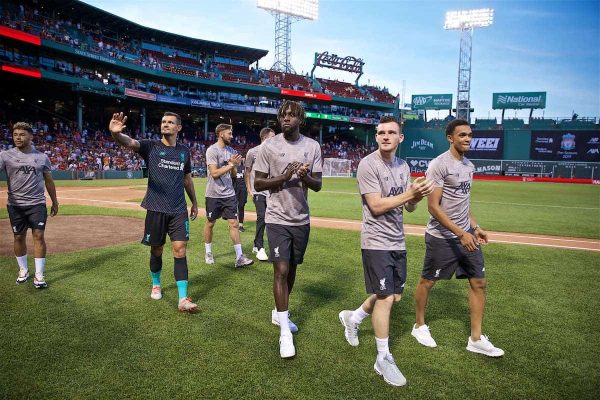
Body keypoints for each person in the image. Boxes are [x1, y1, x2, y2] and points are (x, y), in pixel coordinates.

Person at [338, 116, 433, 386]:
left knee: (392, 296)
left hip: (396, 240)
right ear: (376, 136)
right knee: (386, 297)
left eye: (392, 132)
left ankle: (352, 318)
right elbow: (377, 206)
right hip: (375, 240)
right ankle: (383, 358)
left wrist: (417, 195)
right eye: (381, 132)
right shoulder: (368, 165)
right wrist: (409, 193)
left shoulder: (404, 166)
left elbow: (409, 207)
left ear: (400, 138)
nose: (386, 136)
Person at [411, 119, 504, 357]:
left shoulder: (469, 166)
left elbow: (463, 204)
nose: (467, 139)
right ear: (450, 138)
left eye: (470, 135)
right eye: (462, 135)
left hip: (466, 235)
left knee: (479, 282)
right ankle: (419, 326)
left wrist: (475, 226)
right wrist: (461, 233)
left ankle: (476, 338)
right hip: (441, 237)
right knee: (427, 282)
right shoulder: (438, 165)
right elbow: (433, 207)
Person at [108, 112, 199, 313]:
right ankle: (156, 283)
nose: (165, 125)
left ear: (178, 128)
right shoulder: (151, 146)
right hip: (156, 208)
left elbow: (187, 179)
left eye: (170, 123)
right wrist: (116, 134)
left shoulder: (184, 151)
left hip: (178, 209)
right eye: (163, 122)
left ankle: (183, 298)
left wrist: (194, 202)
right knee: (156, 250)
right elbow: (129, 142)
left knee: (180, 249)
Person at [254, 100, 323, 358]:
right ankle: (284, 332)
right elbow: (259, 183)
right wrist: (283, 178)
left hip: (301, 218)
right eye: (283, 115)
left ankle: (278, 312)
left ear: (300, 120)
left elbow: (317, 185)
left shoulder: (312, 146)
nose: (286, 119)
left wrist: (305, 177)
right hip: (276, 216)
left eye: (292, 116)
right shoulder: (269, 146)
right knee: (280, 269)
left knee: (292, 267)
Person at [0, 122, 58, 289]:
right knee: (18, 237)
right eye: (15, 134)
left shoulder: (41, 157)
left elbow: (49, 180)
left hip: (37, 203)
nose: (18, 137)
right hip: (15, 205)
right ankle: (23, 270)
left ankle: (39, 275)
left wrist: (55, 201)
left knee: (39, 236)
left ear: (31, 136)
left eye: (22, 134)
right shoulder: (5, 155)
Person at [203, 123, 253, 268]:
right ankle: (208, 252)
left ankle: (239, 257)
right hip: (213, 194)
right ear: (221, 134)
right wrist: (231, 165)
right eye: (229, 133)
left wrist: (234, 166)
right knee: (210, 223)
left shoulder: (231, 151)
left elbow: (233, 174)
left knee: (234, 223)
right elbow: (214, 173)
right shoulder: (211, 150)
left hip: (229, 193)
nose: (232, 136)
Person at [244, 127, 275, 261]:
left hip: (271, 192)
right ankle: (260, 247)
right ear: (264, 138)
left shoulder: (275, 153)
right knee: (262, 217)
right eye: (272, 138)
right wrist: (249, 190)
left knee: (272, 220)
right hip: (258, 191)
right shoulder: (252, 152)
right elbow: (247, 172)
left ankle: (257, 244)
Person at [233, 157, 247, 232]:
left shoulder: (244, 168)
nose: (240, 160)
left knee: (241, 206)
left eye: (241, 158)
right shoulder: (233, 168)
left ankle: (240, 225)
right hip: (235, 189)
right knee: (233, 206)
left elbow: (247, 177)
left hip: (243, 189)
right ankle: (233, 223)